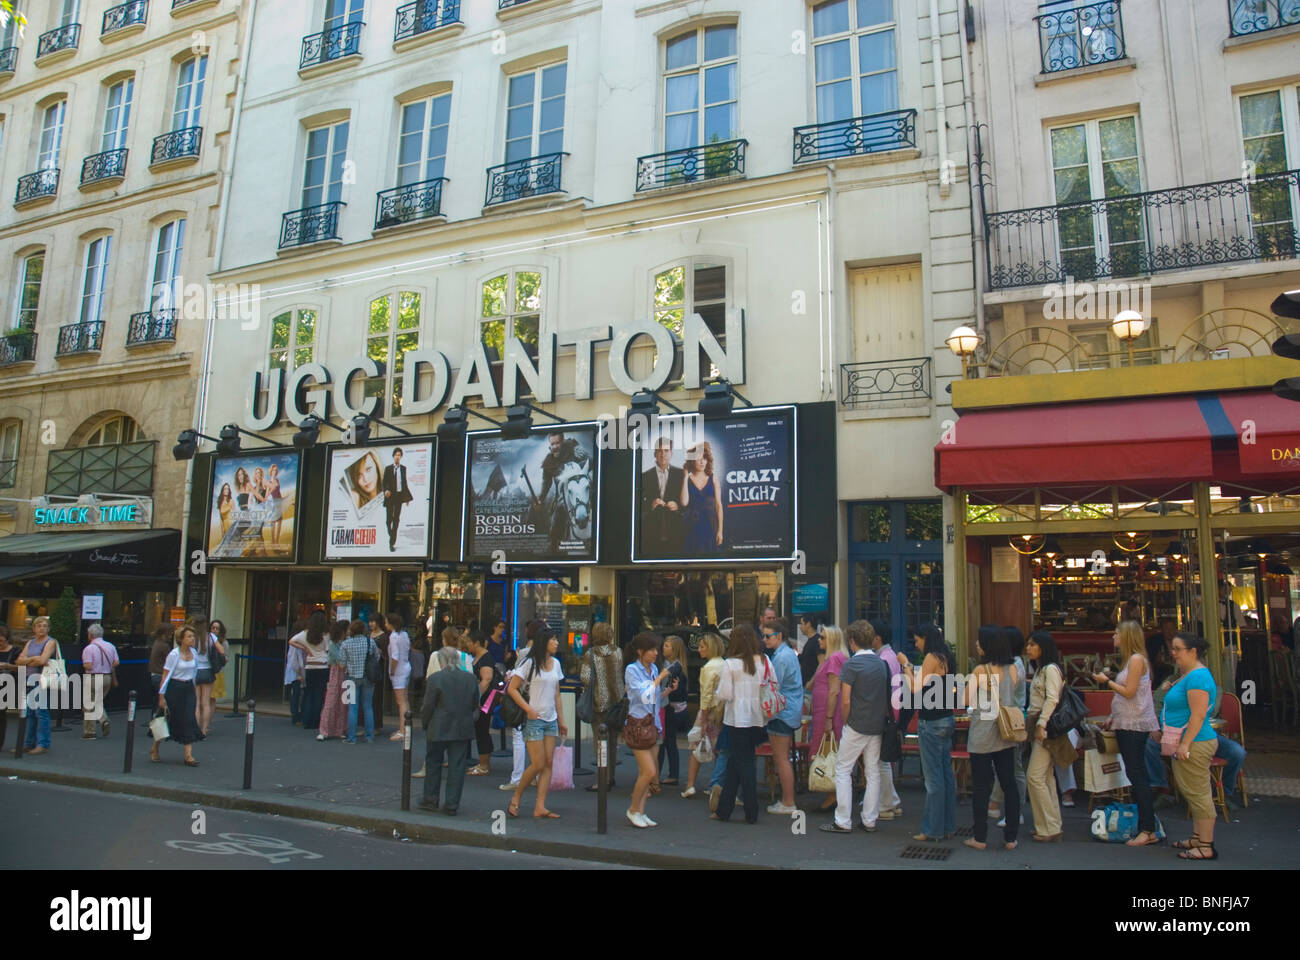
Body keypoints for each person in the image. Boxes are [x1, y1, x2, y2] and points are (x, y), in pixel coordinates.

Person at [1093, 619, 1160, 846]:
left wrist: (1107, 681)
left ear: (1126, 636)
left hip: (1133, 726)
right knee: (1136, 773)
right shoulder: (1134, 660)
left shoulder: (1136, 660)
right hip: (1127, 722)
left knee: (1137, 774)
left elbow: (1129, 692)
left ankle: (1147, 828)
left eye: (1116, 634)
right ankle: (1146, 825)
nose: (1113, 637)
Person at [820, 620, 890, 834]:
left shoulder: (851, 665)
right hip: (876, 724)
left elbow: (846, 700)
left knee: (843, 769)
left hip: (857, 724)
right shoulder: (881, 663)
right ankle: (869, 819)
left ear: (852, 641)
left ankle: (842, 819)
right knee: (873, 771)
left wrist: (844, 719)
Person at [896, 624, 956, 841]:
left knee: (933, 779)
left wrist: (906, 666)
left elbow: (914, 688)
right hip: (946, 718)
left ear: (926, 639)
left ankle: (932, 829)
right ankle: (948, 825)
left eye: (917, 640)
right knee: (946, 774)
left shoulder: (931, 658)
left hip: (931, 721)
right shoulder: (947, 656)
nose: (916, 644)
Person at [964, 625, 1021, 851]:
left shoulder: (980, 671)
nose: (977, 645)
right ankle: (1011, 837)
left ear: (987, 645)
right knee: (1009, 783)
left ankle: (980, 837)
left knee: (981, 786)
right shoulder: (1013, 669)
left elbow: (967, 699)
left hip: (983, 732)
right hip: (1006, 731)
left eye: (979, 642)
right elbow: (1012, 695)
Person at [1164, 633, 1220, 861]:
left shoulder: (1197, 678)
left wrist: (1185, 744)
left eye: (1178, 649)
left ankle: (1205, 845)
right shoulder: (1190, 676)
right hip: (1192, 742)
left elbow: (1198, 715)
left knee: (1198, 793)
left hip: (1194, 743)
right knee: (1193, 791)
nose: (1173, 653)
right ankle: (1198, 838)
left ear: (1193, 652)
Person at [506, 628, 567, 820]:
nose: (557, 643)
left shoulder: (556, 664)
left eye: (557, 639)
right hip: (534, 719)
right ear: (544, 642)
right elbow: (512, 689)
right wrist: (528, 709)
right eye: (553, 640)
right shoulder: (529, 664)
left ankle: (540, 806)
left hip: (550, 719)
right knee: (538, 763)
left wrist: (562, 719)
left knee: (548, 763)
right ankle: (517, 795)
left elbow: (557, 693)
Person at [419, 647, 481, 815]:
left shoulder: (435, 679)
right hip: (462, 727)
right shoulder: (471, 679)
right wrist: (470, 718)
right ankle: (451, 804)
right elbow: (476, 704)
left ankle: (430, 799)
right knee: (457, 767)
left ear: (441, 661)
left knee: (433, 763)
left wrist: (425, 723)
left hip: (438, 726)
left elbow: (428, 706)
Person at [714, 624, 767, 824]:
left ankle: (749, 809)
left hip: (737, 718)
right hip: (758, 717)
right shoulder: (764, 660)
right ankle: (724, 810)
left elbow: (725, 694)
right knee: (738, 762)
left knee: (742, 764)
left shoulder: (731, 664)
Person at [624, 632, 675, 827]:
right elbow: (642, 695)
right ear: (640, 651)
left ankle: (640, 811)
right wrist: (660, 678)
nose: (656, 653)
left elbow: (654, 698)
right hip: (638, 725)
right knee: (649, 771)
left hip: (653, 724)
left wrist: (667, 691)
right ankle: (633, 809)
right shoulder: (632, 670)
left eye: (657, 649)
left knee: (648, 773)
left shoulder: (653, 668)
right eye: (652, 650)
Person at [1025, 631, 1067, 842]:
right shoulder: (1042, 669)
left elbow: (1052, 698)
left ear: (1043, 647)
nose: (1028, 648)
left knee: (1034, 776)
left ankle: (1048, 827)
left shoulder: (1050, 670)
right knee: (1046, 777)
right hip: (1040, 726)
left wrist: (1041, 724)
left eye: (1033, 645)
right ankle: (1050, 825)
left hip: (1046, 727)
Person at [762, 619, 804, 815]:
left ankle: (788, 801)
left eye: (768, 636)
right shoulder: (787, 653)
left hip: (782, 711)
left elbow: (773, 684)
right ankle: (788, 800)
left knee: (781, 759)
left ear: (778, 636)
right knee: (783, 758)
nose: (764, 640)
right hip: (789, 709)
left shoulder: (780, 658)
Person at [989, 626, 1027, 829]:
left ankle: (1015, 810)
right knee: (1009, 766)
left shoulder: (1015, 665)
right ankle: (1006, 807)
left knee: (1014, 767)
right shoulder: (1014, 664)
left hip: (1012, 719)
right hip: (1009, 717)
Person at [580, 621, 625, 793]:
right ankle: (610, 776)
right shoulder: (618, 652)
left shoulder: (590, 654)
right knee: (612, 742)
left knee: (600, 743)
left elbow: (585, 678)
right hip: (616, 703)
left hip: (599, 704)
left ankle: (602, 780)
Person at [809, 624, 847, 811]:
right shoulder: (831, 658)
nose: (819, 640)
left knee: (831, 752)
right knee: (829, 751)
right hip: (823, 711)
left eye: (823, 637)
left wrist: (829, 719)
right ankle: (833, 791)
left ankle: (834, 792)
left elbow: (834, 690)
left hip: (828, 712)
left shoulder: (834, 659)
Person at [682, 628, 724, 798]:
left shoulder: (708, 668)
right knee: (719, 749)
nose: (699, 650)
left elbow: (706, 695)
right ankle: (717, 783)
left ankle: (690, 785)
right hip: (722, 711)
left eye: (701, 647)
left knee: (696, 746)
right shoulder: (725, 664)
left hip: (710, 711)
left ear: (710, 648)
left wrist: (703, 716)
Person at [153, 625, 201, 766]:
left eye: (193, 636)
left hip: (188, 688)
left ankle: (188, 755)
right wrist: (161, 697)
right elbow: (165, 676)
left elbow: (194, 673)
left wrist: (195, 690)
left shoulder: (194, 652)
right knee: (166, 719)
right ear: (181, 639)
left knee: (188, 719)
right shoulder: (174, 654)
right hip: (174, 688)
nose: (192, 639)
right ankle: (155, 747)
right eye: (189, 636)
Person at [872, 623, 904, 820]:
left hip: (885, 712)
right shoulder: (891, 656)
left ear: (877, 638)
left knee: (880, 760)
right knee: (882, 760)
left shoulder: (884, 659)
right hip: (892, 711)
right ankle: (891, 800)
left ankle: (885, 804)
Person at [16, 616, 58, 755]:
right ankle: (29, 743)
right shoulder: (30, 642)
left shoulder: (51, 642)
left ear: (49, 628)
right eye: (39, 626)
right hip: (29, 678)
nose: (42, 628)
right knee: (29, 712)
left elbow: (43, 660)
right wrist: (33, 659)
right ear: (34, 628)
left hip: (41, 679)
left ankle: (43, 744)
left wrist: (28, 660)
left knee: (41, 712)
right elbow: (18, 661)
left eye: (45, 626)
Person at [641, 435, 684, 555]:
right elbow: (636, 505)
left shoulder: (681, 474)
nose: (663, 454)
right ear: (655, 453)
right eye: (659, 451)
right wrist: (651, 505)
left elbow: (689, 502)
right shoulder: (644, 476)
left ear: (671, 453)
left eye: (666, 451)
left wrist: (678, 506)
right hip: (651, 535)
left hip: (676, 534)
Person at [680, 441, 724, 553]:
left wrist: (720, 531)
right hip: (692, 527)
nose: (702, 461)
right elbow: (684, 503)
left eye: (704, 458)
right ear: (692, 460)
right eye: (698, 458)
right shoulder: (688, 480)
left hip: (711, 526)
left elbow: (719, 506)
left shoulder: (713, 479)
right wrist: (685, 477)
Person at [658, 635, 690, 785]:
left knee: (666, 741)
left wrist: (668, 692)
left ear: (675, 649)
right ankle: (671, 773)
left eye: (667, 646)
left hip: (672, 709)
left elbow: (675, 691)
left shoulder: (673, 668)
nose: (663, 648)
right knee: (668, 742)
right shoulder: (676, 666)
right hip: (676, 708)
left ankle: (669, 774)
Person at [292, 612, 331, 731]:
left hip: (310, 666)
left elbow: (292, 641)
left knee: (309, 694)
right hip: (323, 665)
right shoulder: (326, 634)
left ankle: (306, 721)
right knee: (319, 695)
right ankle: (315, 721)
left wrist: (305, 648)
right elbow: (328, 650)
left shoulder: (305, 633)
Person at [466, 629, 497, 776]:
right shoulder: (478, 657)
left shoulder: (485, 658)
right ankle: (482, 762)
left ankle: (484, 765)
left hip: (484, 701)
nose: (467, 645)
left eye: (469, 642)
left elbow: (487, 679)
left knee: (482, 730)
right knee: (480, 730)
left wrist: (476, 696)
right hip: (480, 699)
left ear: (476, 643)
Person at [80, 623, 118, 740]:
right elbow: (116, 663)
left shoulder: (89, 648)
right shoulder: (110, 646)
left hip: (93, 677)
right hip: (107, 677)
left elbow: (88, 665)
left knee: (89, 704)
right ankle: (104, 720)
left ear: (90, 635)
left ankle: (90, 732)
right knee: (97, 701)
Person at [340, 620, 376, 743]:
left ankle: (352, 737)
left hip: (351, 677)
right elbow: (376, 656)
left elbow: (341, 664)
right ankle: (370, 736)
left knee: (352, 708)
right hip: (368, 677)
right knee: (368, 707)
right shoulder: (370, 642)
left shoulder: (345, 644)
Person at [191, 617, 225, 738]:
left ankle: (195, 729)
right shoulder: (210, 636)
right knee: (206, 703)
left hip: (195, 671)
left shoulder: (192, 637)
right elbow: (221, 650)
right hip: (208, 671)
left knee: (196, 703)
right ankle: (204, 730)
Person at [316, 620, 349, 741]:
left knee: (343, 703)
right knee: (331, 702)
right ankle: (324, 730)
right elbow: (340, 663)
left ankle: (340, 729)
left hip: (343, 674)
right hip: (337, 674)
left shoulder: (344, 643)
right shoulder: (333, 644)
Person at [382, 447, 414, 552]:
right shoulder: (388, 469)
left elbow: (404, 484)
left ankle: (392, 543)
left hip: (399, 496)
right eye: (396, 454)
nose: (397, 457)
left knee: (396, 520)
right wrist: (386, 490)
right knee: (388, 521)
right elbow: (384, 482)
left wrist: (407, 498)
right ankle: (392, 535)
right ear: (393, 456)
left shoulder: (403, 468)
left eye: (399, 455)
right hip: (390, 496)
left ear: (401, 457)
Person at [386, 612, 411, 742]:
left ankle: (403, 730)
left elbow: (395, 656)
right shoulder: (405, 634)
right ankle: (406, 728)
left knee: (400, 701)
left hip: (399, 671)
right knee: (405, 699)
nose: (385, 624)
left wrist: (392, 671)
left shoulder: (393, 636)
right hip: (406, 667)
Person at [284, 619, 307, 726]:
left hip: (296, 671)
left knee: (297, 694)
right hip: (296, 672)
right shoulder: (296, 642)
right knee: (297, 694)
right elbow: (293, 660)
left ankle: (297, 715)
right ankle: (296, 716)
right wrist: (298, 673)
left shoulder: (296, 640)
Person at [0, 625, 18, 750]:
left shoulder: (15, 651)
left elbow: (22, 667)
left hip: (6, 685)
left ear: (7, 639)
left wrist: (8, 665)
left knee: (1, 714)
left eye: (1, 641)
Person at [797, 613, 823, 687]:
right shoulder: (810, 641)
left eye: (801, 624)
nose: (800, 627)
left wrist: (811, 682)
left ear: (808, 624)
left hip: (812, 686)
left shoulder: (817, 641)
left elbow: (822, 663)